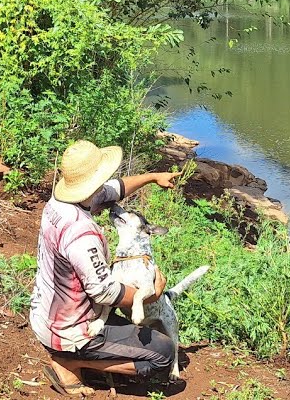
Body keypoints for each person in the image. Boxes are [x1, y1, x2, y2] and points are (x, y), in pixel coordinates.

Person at [29, 139, 183, 396]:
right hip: (70, 328)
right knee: (163, 354)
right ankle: (70, 362)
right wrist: (152, 294)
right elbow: (105, 293)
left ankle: (77, 355)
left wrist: (153, 177)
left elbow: (116, 189)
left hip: (46, 313)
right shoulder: (80, 233)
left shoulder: (59, 201)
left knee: (132, 330)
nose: (106, 182)